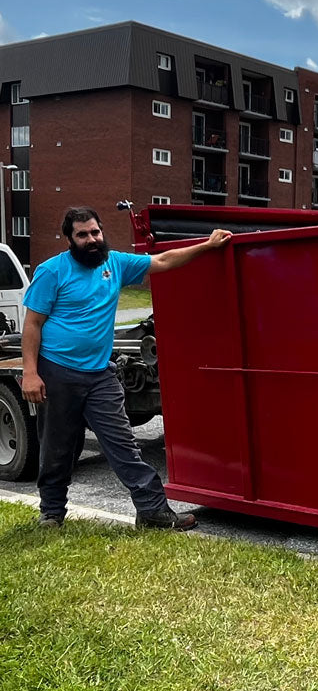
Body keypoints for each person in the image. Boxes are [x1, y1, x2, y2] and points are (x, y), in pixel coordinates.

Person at [21, 206, 233, 530]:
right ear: (69, 239)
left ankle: (152, 512)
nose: (91, 239)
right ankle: (51, 513)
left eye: (95, 232)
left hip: (99, 374)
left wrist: (208, 245)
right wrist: (31, 373)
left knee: (123, 445)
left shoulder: (115, 263)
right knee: (57, 447)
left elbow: (162, 261)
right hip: (58, 372)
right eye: (82, 235)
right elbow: (33, 324)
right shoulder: (52, 271)